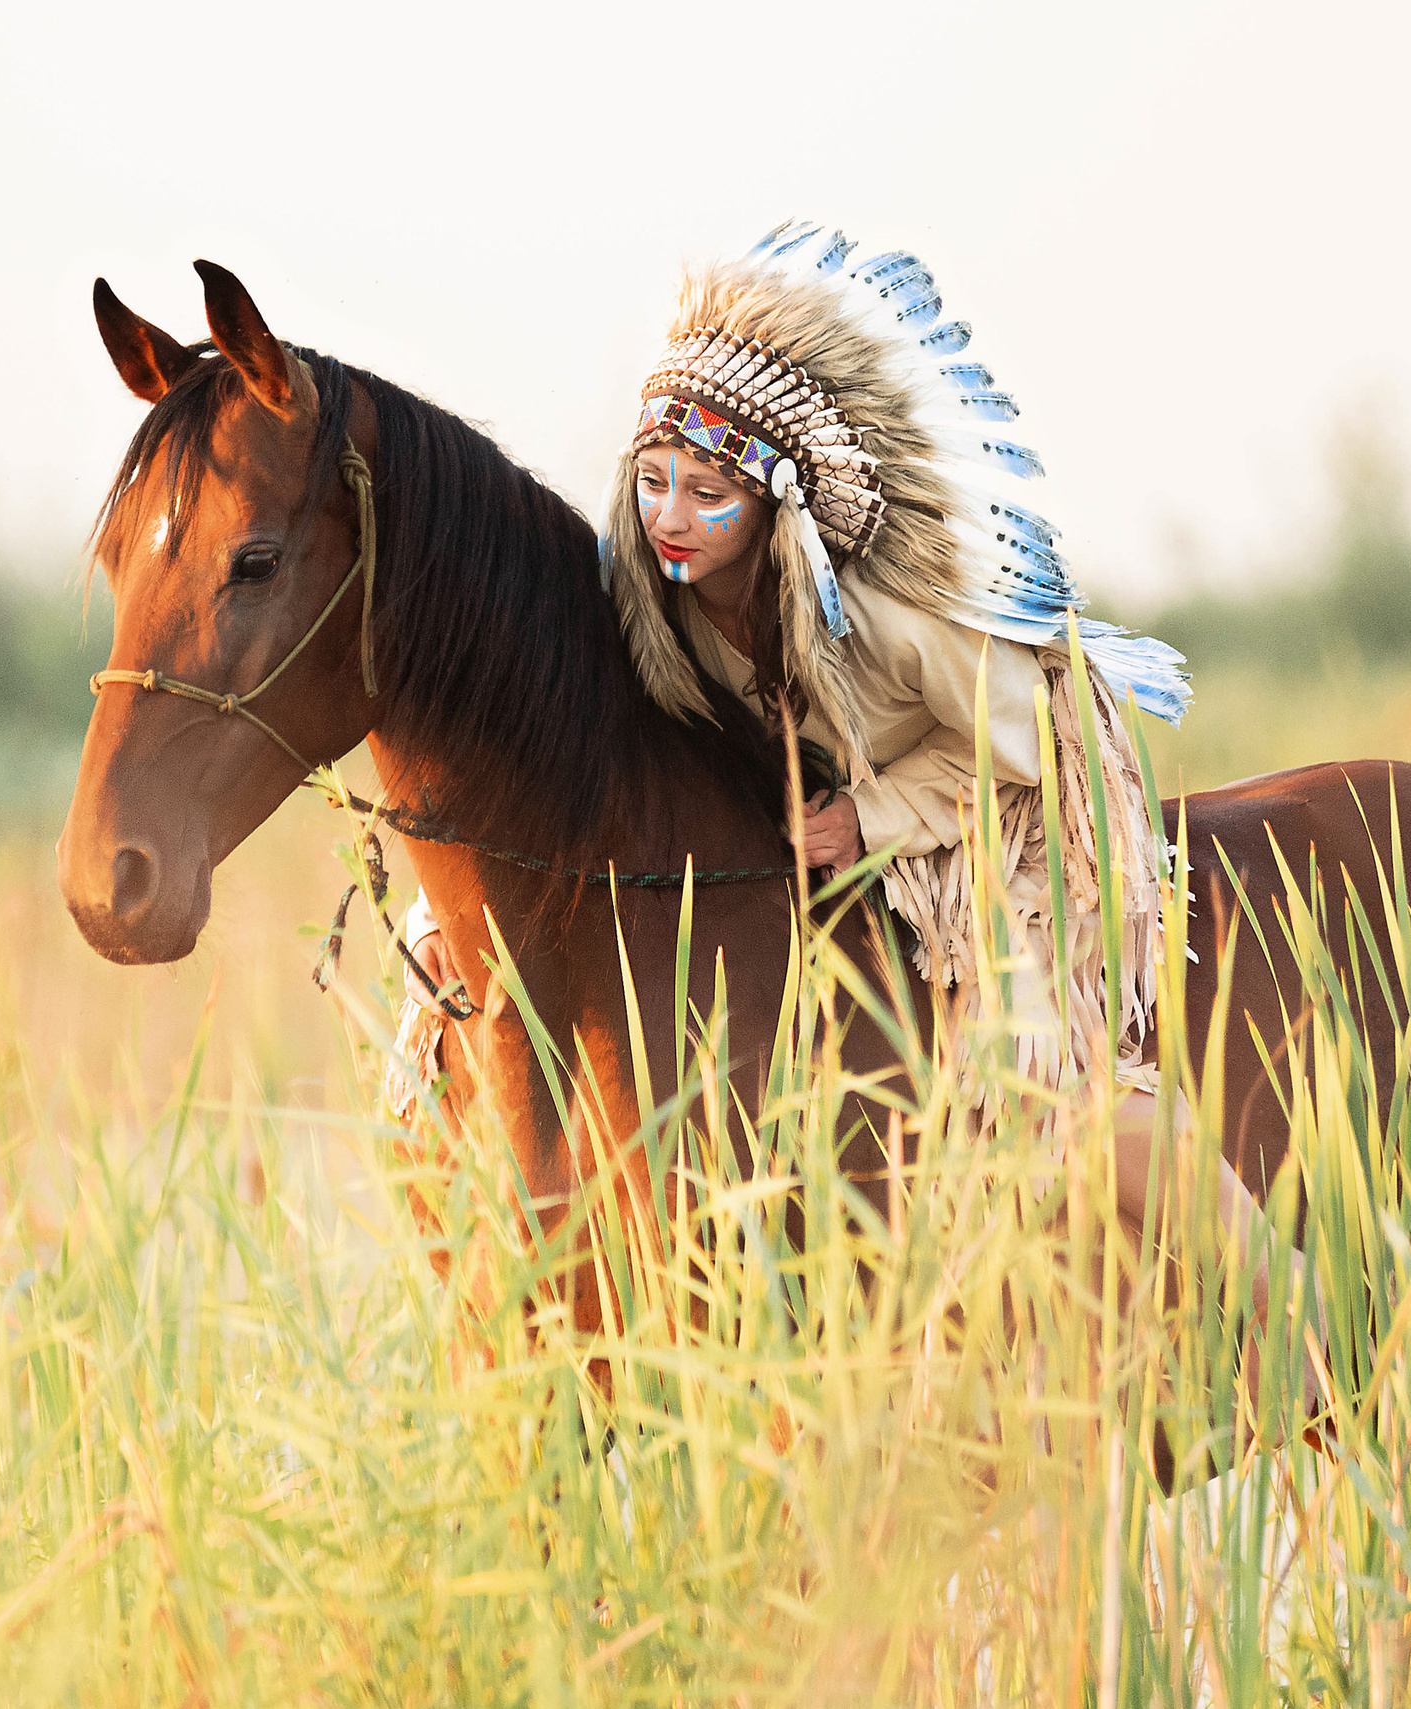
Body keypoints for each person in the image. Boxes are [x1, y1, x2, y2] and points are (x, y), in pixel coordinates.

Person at [394, 224, 1295, 1347]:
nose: (671, 516)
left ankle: (1290, 1303)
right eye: (657, 482)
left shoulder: (885, 617)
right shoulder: (652, 595)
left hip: (1006, 797)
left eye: (707, 492)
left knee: (1051, 1095)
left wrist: (865, 817)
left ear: (772, 503)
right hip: (852, 795)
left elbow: (1018, 745)